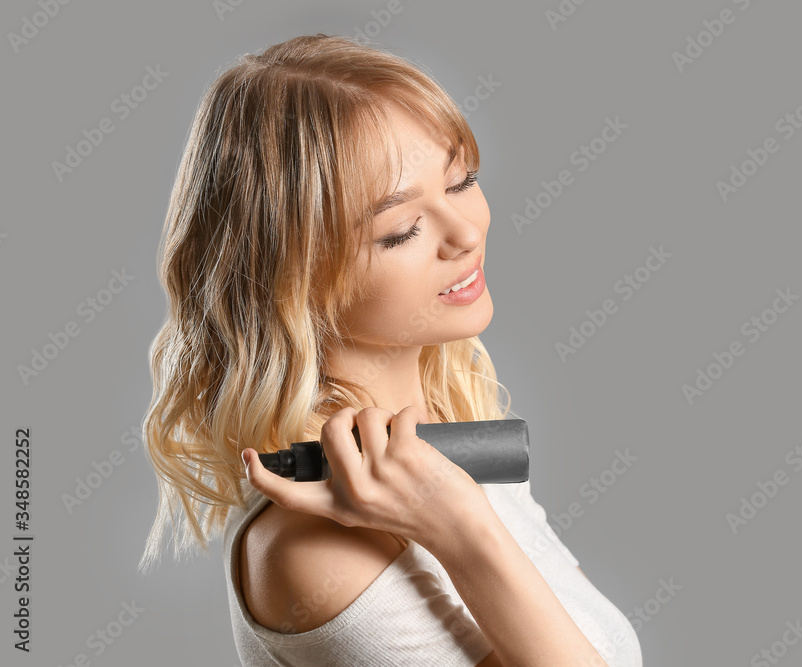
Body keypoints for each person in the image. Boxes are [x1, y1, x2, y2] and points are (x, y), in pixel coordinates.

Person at [138, 33, 642, 666]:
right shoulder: (320, 553)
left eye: (461, 183)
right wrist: (461, 530)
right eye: (401, 231)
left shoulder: (444, 441)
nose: (466, 232)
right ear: (292, 276)